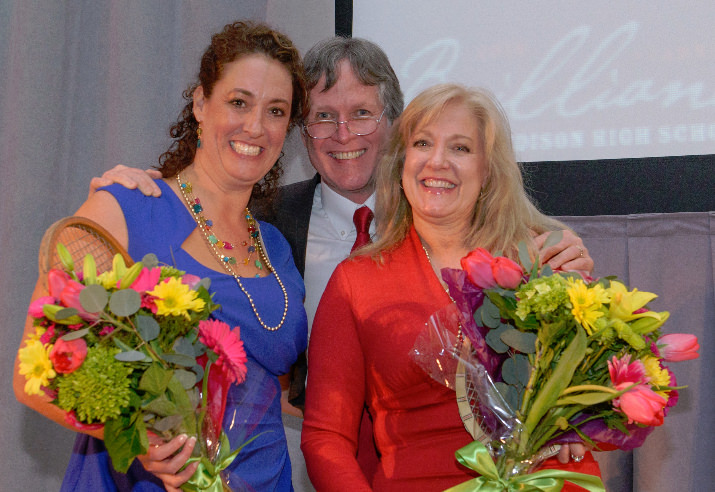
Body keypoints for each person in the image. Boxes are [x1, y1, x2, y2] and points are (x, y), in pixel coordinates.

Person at [87, 38, 593, 487]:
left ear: (392, 126)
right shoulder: (266, 226)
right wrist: (137, 195)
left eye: (362, 114)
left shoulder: (518, 247)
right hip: (285, 463)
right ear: (303, 133)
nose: (343, 133)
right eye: (323, 116)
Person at [14, 21, 308, 492]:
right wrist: (138, 440)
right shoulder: (125, 206)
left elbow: (268, 383)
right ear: (199, 104)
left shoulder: (275, 246)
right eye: (239, 102)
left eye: (276, 111)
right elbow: (34, 375)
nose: (256, 126)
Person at [300, 84, 601, 491]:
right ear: (402, 161)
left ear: (488, 170)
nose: (437, 161)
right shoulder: (357, 281)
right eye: (423, 143)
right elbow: (326, 438)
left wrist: (579, 423)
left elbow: (602, 395)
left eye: (460, 148)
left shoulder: (545, 257)